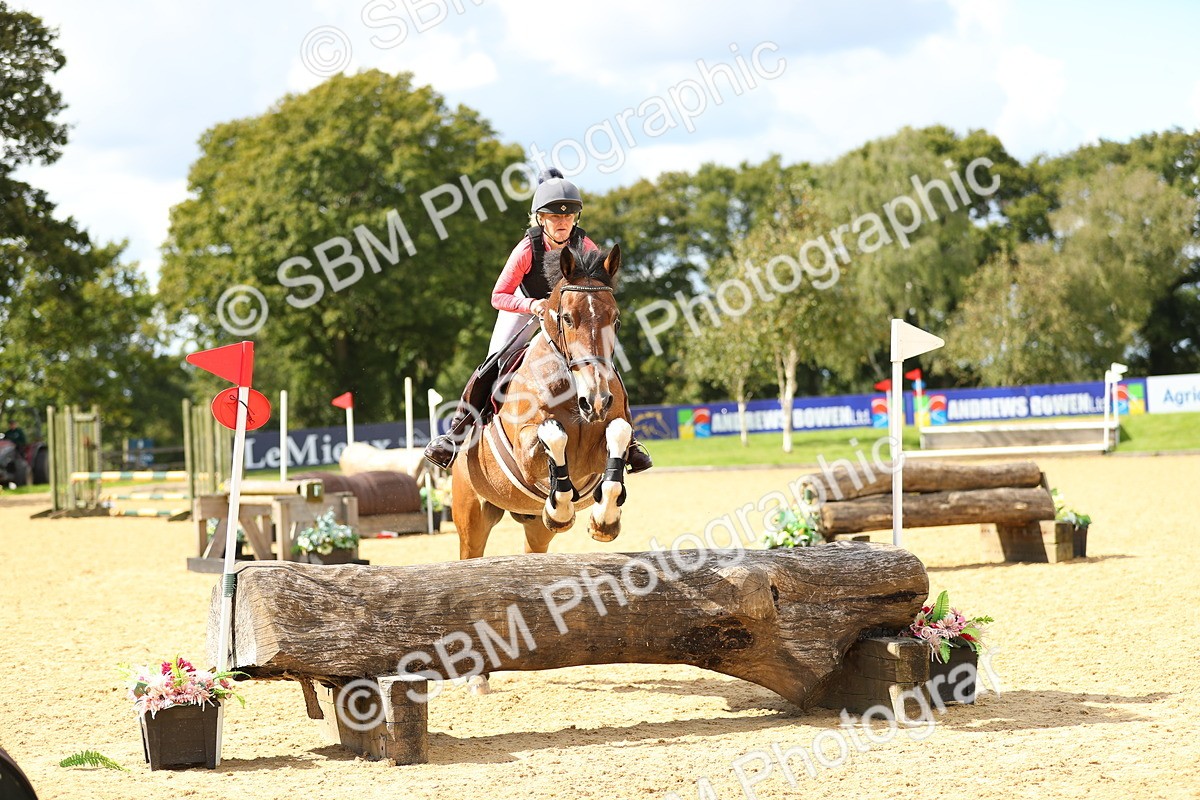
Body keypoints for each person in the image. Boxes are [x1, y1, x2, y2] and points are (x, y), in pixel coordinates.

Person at [424, 169, 652, 472]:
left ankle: (630, 442)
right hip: (524, 311)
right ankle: (455, 434)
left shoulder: (586, 247)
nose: (563, 223)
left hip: (570, 319)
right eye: (555, 217)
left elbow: (598, 292)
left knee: (601, 363)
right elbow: (498, 295)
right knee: (493, 363)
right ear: (540, 219)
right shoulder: (526, 249)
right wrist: (533, 305)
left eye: (569, 216)